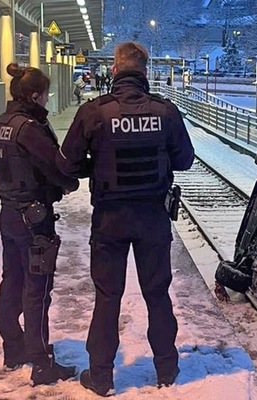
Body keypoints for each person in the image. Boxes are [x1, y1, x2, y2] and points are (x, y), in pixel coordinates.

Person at [56, 41, 194, 397]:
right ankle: (167, 368)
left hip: (110, 220)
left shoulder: (94, 112)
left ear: (115, 70)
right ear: (145, 72)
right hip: (153, 218)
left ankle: (101, 376)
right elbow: (184, 161)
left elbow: (67, 164)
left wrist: (96, 166)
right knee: (157, 294)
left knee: (107, 297)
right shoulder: (165, 112)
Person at [0, 63, 80, 386]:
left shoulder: (4, 123)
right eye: (45, 94)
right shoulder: (29, 128)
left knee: (11, 281)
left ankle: (14, 349)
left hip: (9, 214)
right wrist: (70, 182)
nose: (46, 100)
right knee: (37, 290)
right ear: (33, 95)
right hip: (34, 219)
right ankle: (42, 364)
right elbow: (58, 168)